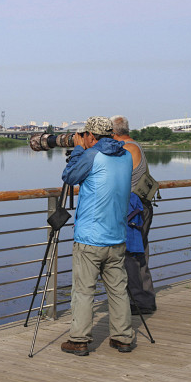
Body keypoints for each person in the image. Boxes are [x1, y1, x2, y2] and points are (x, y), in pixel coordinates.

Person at [60, 116, 134, 356]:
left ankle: (79, 340)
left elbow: (69, 177)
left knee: (83, 290)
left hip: (90, 238)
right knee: (118, 289)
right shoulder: (125, 156)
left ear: (91, 135)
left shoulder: (92, 155)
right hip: (117, 235)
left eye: (85, 135)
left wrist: (79, 149)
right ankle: (123, 337)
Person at [111, 115, 157, 314]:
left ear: (113, 133)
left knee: (132, 255)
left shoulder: (128, 149)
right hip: (138, 208)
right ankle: (143, 299)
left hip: (135, 210)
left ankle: (141, 301)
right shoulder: (133, 145)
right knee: (138, 253)